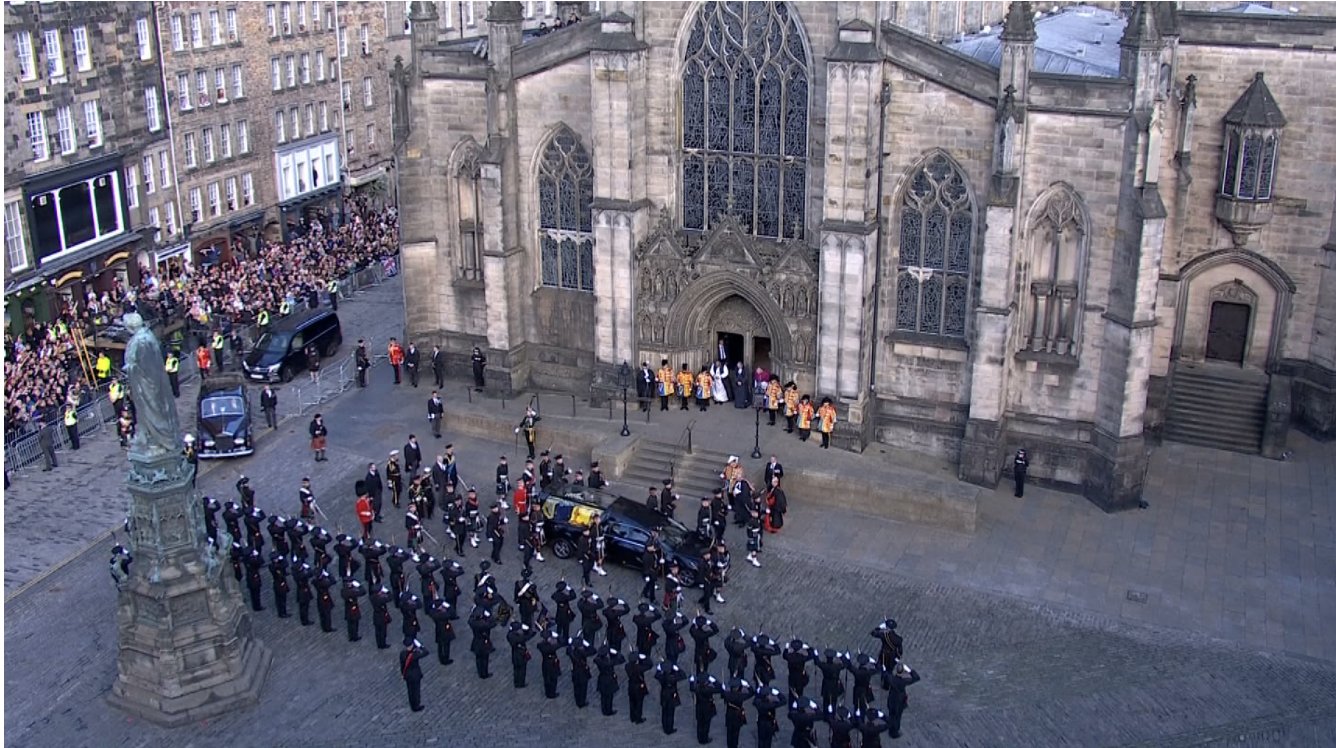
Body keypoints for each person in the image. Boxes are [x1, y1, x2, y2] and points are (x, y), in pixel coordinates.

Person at [885, 661, 921, 739]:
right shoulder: (903, 681)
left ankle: (890, 727)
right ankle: (894, 732)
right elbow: (916, 678)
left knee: (891, 714)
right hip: (899, 701)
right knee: (897, 717)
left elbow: (886, 674)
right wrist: (910, 670)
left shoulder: (891, 678)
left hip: (891, 699)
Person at [872, 618, 905, 688]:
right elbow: (900, 651)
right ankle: (886, 685)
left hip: (884, 655)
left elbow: (873, 633)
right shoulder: (898, 639)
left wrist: (879, 627)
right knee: (890, 670)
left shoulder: (884, 635)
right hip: (893, 656)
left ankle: (884, 680)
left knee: (883, 668)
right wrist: (897, 657)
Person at [691, 672, 723, 744]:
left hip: (699, 707)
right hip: (707, 708)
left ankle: (700, 738)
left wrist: (692, 681)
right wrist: (714, 681)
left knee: (699, 723)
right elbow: (720, 688)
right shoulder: (709, 689)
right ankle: (704, 739)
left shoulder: (696, 688)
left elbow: (691, 687)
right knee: (706, 724)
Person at [722, 677, 754, 748]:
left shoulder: (727, 694)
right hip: (737, 715)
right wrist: (748, 685)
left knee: (729, 733)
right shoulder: (740, 695)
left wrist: (723, 688)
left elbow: (722, 693)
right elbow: (751, 693)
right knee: (736, 733)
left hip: (729, 714)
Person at [656, 661, 686, 735]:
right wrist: (677, 669)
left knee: (664, 711)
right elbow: (683, 675)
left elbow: (657, 675)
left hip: (663, 694)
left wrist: (660, 669)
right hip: (671, 694)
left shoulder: (662, 676)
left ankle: (664, 726)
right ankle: (669, 729)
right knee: (670, 713)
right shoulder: (673, 677)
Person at [816, 648, 849, 715]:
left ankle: (825, 715)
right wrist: (842, 656)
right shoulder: (837, 666)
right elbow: (846, 664)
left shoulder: (824, 665)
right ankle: (832, 715)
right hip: (834, 685)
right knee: (834, 701)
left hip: (826, 684)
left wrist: (816, 654)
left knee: (825, 701)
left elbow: (817, 662)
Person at [594, 645, 625, 715]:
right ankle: (608, 710)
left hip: (602, 678)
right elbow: (622, 659)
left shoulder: (598, 660)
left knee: (603, 696)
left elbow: (595, 658)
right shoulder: (609, 662)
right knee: (609, 696)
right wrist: (616, 653)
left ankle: (604, 709)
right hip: (609, 679)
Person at [399, 637, 428, 712]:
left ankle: (412, 704)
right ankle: (416, 706)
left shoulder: (402, 654)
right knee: (416, 691)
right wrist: (421, 646)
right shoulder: (414, 655)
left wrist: (403, 674)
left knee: (410, 690)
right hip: (415, 675)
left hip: (408, 675)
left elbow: (402, 666)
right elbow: (426, 652)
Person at [469, 606, 497, 679]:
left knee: (478, 658)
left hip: (476, 640)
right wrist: (488, 616)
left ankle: (480, 672)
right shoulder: (484, 624)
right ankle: (484, 673)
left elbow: (470, 619)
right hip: (484, 641)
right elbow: (493, 623)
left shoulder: (473, 622)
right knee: (484, 658)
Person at [625, 651, 653, 724]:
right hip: (638, 686)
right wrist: (644, 658)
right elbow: (650, 665)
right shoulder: (639, 668)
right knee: (639, 703)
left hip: (631, 685)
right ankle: (638, 718)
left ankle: (632, 717)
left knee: (632, 702)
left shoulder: (627, 666)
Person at [507, 620, 536, 689]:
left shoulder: (510, 635)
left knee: (516, 669)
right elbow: (529, 635)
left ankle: (516, 682)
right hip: (520, 655)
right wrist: (528, 629)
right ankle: (521, 683)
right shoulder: (519, 638)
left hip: (515, 654)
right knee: (522, 669)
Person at [568, 637, 596, 708]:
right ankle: (581, 702)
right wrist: (587, 644)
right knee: (583, 688)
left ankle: (578, 700)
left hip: (575, 671)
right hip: (582, 672)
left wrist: (571, 644)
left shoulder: (571, 651)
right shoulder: (582, 653)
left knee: (576, 687)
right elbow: (593, 650)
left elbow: (568, 649)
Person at [538, 626, 563, 699]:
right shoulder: (550, 647)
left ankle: (548, 692)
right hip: (550, 663)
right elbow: (561, 642)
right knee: (552, 679)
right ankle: (551, 693)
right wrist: (557, 636)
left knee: (547, 678)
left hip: (545, 663)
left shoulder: (541, 645)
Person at [371, 584, 395, 649]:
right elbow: (390, 597)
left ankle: (379, 644)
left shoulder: (372, 597)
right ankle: (382, 644)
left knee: (377, 631)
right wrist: (387, 591)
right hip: (382, 616)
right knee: (383, 631)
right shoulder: (381, 599)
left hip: (376, 615)